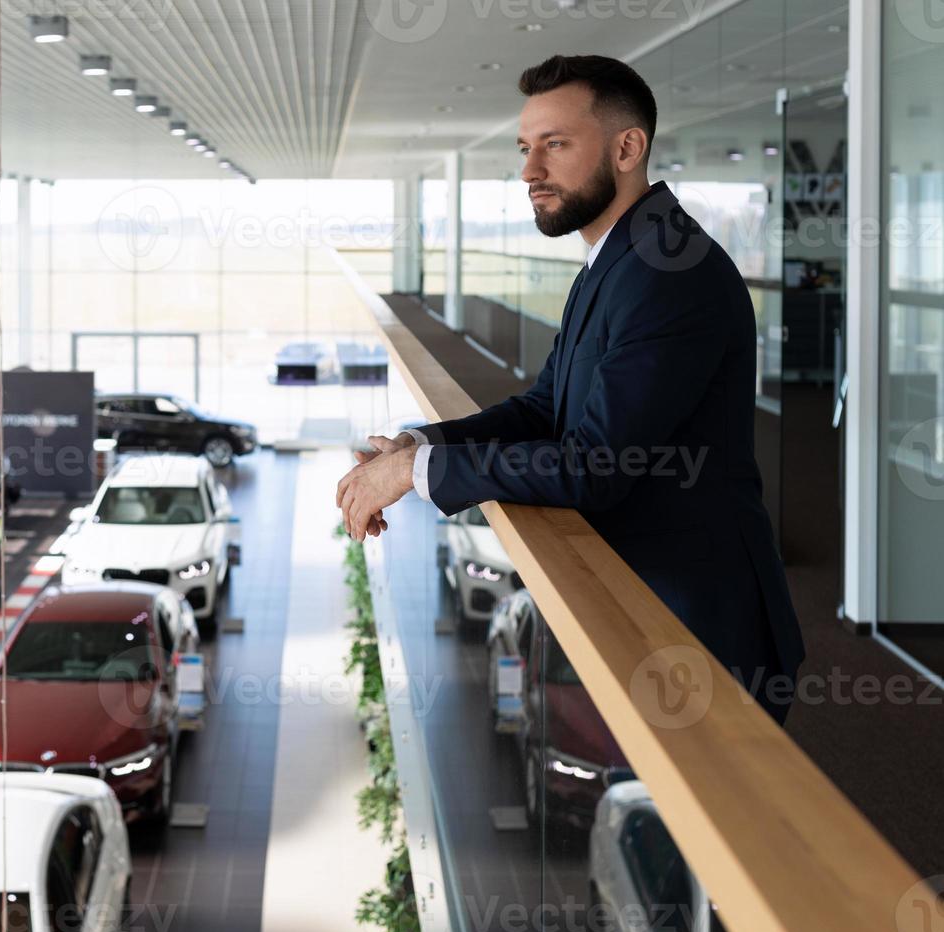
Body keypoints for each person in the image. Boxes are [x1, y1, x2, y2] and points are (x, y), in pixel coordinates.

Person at [335, 54, 805, 724]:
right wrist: (416, 446)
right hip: (646, 611)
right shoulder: (616, 260)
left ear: (626, 147)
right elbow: (545, 408)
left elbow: (594, 466)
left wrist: (418, 471)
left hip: (703, 631)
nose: (529, 171)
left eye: (554, 145)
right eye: (526, 149)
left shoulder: (668, 273)